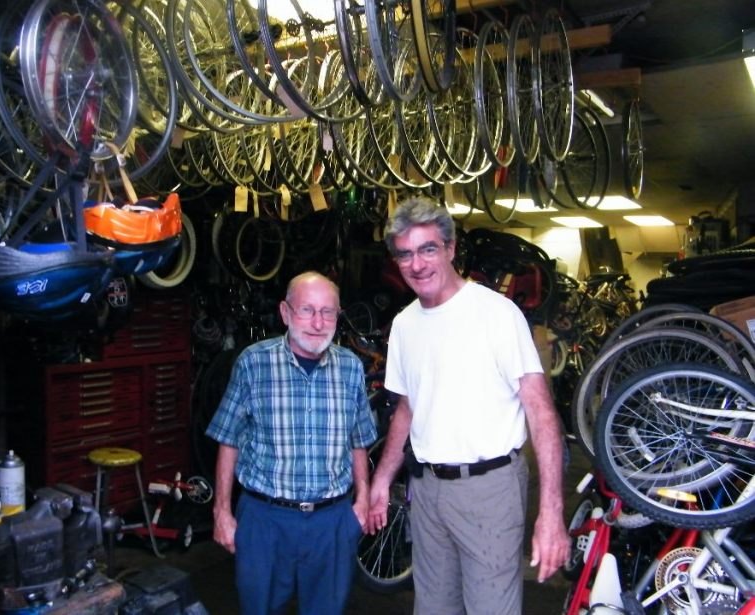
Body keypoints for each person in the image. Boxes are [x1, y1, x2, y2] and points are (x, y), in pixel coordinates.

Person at [366, 197, 570, 615]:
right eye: (405, 254)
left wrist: (551, 512)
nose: (417, 264)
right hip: (426, 490)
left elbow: (541, 411)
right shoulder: (404, 325)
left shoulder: (496, 314)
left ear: (451, 248)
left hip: (489, 490)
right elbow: (407, 408)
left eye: (427, 249)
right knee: (432, 608)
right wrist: (382, 480)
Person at [207, 271, 378, 615]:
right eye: (307, 310)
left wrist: (361, 501)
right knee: (260, 608)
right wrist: (221, 511)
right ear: (286, 313)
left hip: (331, 520)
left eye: (327, 312)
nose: (318, 323)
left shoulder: (350, 368)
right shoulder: (254, 363)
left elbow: (359, 440)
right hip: (265, 519)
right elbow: (228, 439)